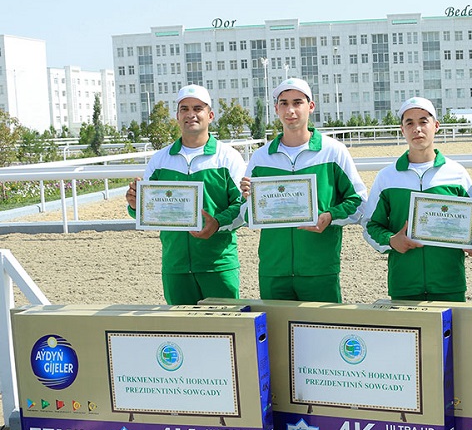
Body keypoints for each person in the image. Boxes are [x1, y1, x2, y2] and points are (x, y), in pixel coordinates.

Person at [240, 78, 367, 302]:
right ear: (276, 109)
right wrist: (249, 199)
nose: (290, 110)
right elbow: (246, 214)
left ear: (311, 106)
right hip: (273, 270)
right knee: (277, 326)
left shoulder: (333, 151)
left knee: (322, 325)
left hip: (320, 269)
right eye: (284, 103)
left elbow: (358, 202)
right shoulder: (261, 157)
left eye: (297, 102)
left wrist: (330, 216)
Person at [125, 84, 246, 304]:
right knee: (182, 325)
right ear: (177, 116)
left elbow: (243, 206)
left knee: (224, 323)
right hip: (175, 266)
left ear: (210, 115)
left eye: (198, 108)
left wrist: (217, 223)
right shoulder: (160, 160)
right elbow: (146, 211)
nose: (191, 114)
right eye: (184, 109)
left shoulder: (228, 158)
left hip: (218, 264)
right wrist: (135, 205)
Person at [361, 97, 472, 301]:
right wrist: (391, 241)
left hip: (450, 284)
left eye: (423, 121)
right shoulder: (387, 177)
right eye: (409, 123)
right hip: (404, 285)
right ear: (402, 130)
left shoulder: (457, 174)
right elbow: (370, 225)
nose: (417, 129)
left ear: (436, 126)